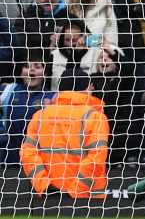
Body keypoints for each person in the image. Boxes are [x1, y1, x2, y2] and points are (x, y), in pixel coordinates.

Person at [20, 67, 109, 198]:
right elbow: (97, 156)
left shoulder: (40, 116)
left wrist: (45, 186)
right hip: (88, 199)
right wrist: (74, 191)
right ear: (88, 87)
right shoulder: (94, 116)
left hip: (47, 199)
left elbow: (27, 153)